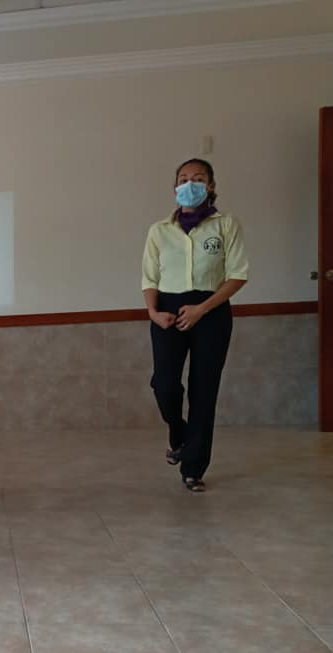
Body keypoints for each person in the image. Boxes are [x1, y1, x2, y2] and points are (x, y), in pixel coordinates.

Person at [141, 158, 248, 492]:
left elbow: (237, 275)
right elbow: (149, 278)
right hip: (167, 312)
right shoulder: (159, 230)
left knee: (204, 390)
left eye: (198, 178)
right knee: (165, 384)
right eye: (183, 178)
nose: (190, 184)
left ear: (211, 186)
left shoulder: (226, 225)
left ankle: (193, 467)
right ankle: (178, 432)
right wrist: (153, 312)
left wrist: (202, 309)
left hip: (211, 312)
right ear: (175, 186)